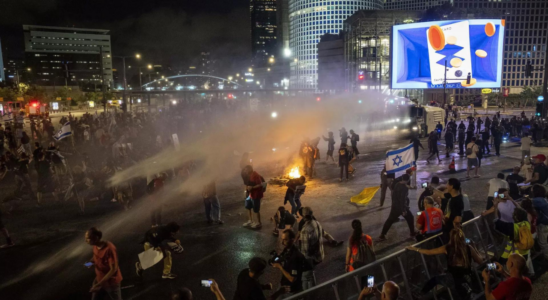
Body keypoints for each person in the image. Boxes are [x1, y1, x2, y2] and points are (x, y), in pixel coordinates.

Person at [407, 229, 483, 299]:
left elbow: (429, 252)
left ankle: (420, 294)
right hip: (466, 278)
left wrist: (415, 249)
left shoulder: (447, 248)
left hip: (452, 279)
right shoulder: (469, 247)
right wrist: (475, 248)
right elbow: (480, 261)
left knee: (435, 279)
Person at [85, 227, 123, 300]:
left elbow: (113, 269)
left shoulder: (109, 249)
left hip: (111, 283)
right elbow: (97, 257)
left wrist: (99, 284)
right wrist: (90, 263)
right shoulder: (96, 246)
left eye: (88, 238)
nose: (86, 241)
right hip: (99, 279)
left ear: (96, 238)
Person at [378, 174, 414, 241]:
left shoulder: (397, 184)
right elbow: (402, 199)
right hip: (401, 207)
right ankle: (412, 233)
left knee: (390, 220)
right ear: (408, 180)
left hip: (394, 207)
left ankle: (382, 235)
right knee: (410, 218)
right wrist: (403, 210)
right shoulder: (405, 188)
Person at [272, 229, 307, 295]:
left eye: (285, 240)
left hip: (291, 289)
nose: (282, 242)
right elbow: (282, 257)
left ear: (292, 240)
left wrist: (280, 267)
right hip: (284, 283)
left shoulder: (295, 257)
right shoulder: (287, 249)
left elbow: (292, 279)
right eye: (282, 239)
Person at [297, 207, 323, 290]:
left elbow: (305, 250)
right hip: (318, 254)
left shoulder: (305, 230)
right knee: (311, 274)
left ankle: (309, 294)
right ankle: (313, 292)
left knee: (306, 278)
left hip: (309, 259)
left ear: (303, 216)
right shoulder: (316, 223)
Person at [432, 178, 464, 244]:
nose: (446, 186)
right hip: (447, 228)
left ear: (451, 186)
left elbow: (458, 219)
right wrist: (432, 188)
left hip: (451, 231)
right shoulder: (451, 196)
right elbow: (441, 194)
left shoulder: (458, 201)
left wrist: (453, 233)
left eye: (447, 184)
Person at [532, 185, 548, 260]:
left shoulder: (536, 200)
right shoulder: (543, 199)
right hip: (545, 223)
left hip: (543, 224)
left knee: (543, 242)